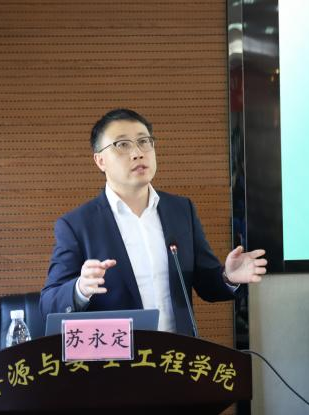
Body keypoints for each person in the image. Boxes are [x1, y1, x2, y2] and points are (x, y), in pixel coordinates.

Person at [40, 109, 266, 336]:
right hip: (116, 355)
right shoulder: (77, 225)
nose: (137, 153)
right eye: (122, 145)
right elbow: (48, 304)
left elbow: (206, 283)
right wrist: (80, 288)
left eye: (143, 141)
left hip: (175, 353)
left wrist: (227, 277)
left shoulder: (181, 210)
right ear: (100, 161)